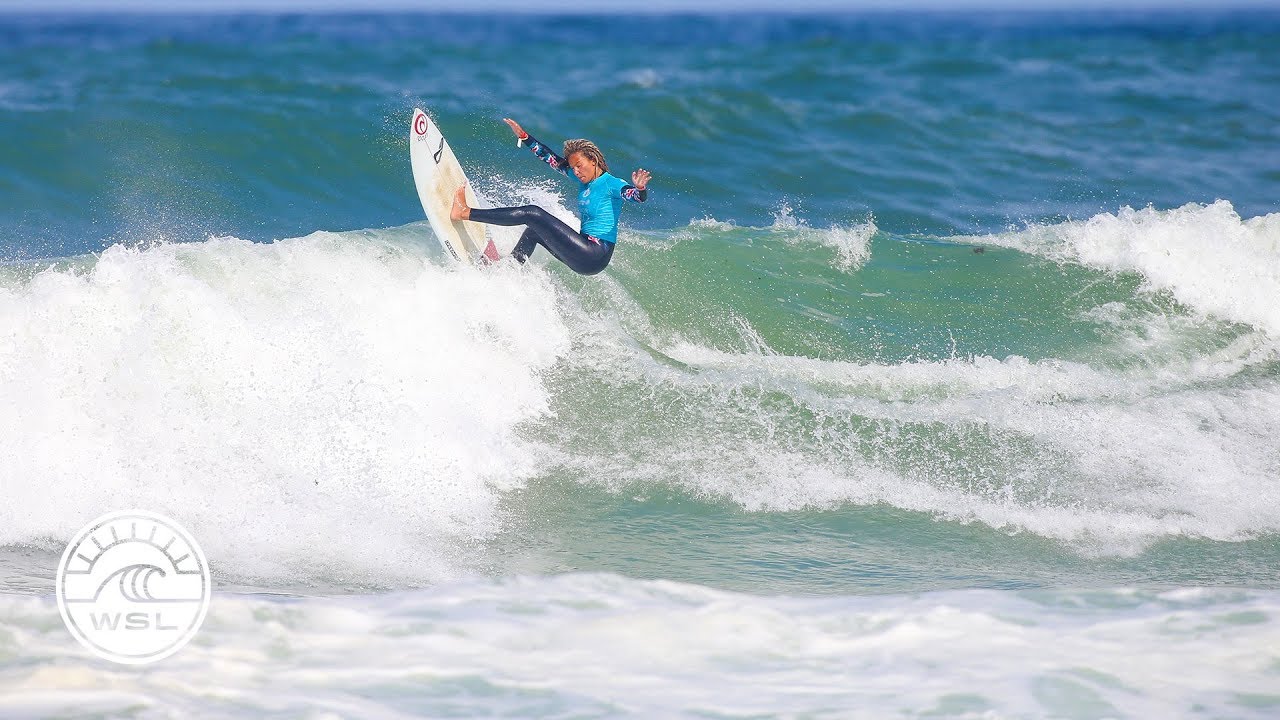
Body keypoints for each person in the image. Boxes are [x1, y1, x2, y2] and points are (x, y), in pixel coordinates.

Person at [451, 118, 651, 276]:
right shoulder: (584, 180)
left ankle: (464, 212)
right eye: (573, 167)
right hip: (585, 255)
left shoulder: (611, 183)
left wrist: (640, 189)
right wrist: (523, 136)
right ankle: (507, 272)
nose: (576, 171)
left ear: (593, 160)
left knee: (533, 214)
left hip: (594, 254)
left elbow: (633, 196)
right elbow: (551, 159)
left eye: (579, 165)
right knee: (533, 231)